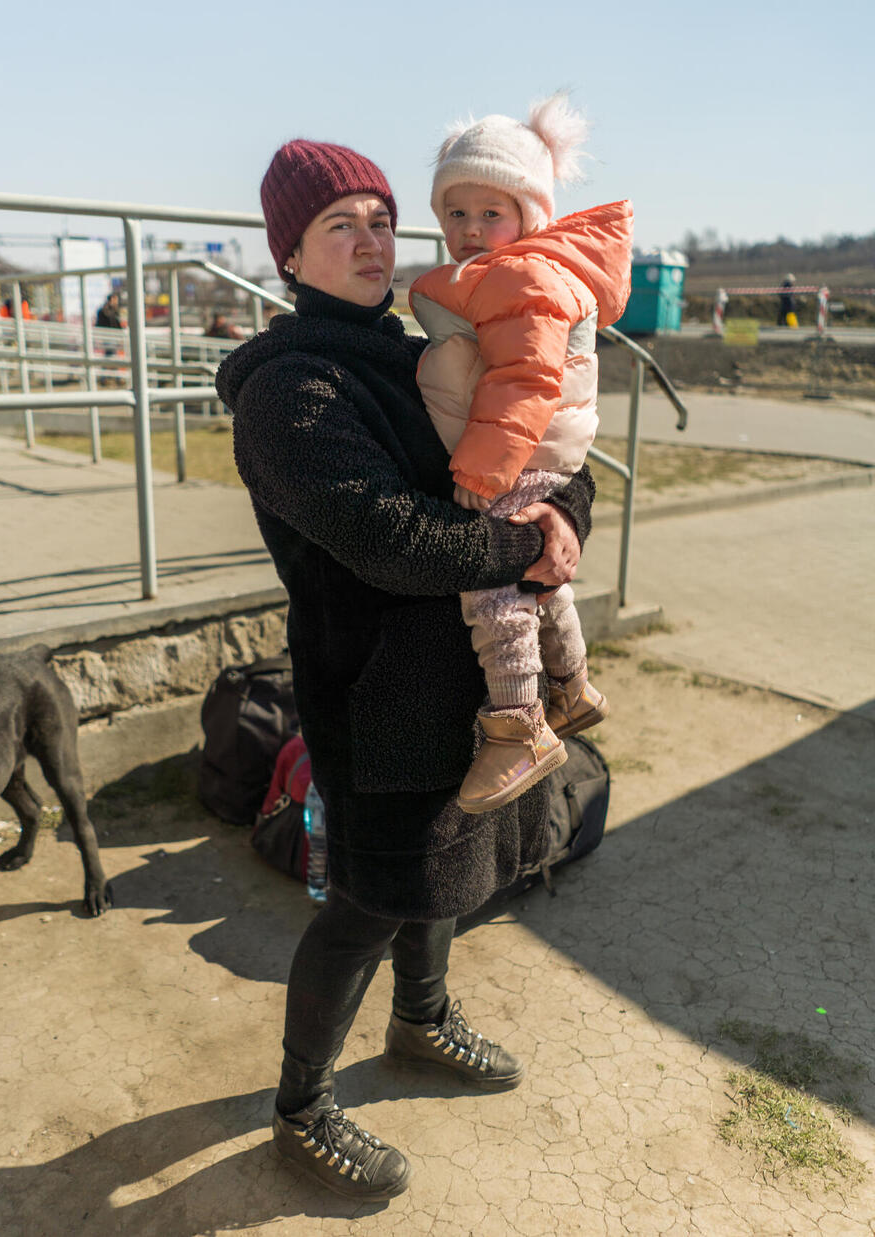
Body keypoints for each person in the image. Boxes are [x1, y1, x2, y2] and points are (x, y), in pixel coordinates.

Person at [215, 139, 596, 1203]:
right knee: (371, 902)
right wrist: (527, 549)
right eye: (340, 223)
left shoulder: (428, 339)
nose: (372, 238)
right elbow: (389, 540)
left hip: (467, 685)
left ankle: (421, 1021)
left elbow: (538, 460)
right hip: (376, 688)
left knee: (450, 871)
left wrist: (564, 515)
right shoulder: (291, 389)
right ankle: (302, 1107)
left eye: (381, 216)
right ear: (289, 251)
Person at [409, 94, 633, 814]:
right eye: (456, 213)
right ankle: (569, 689)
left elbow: (523, 378)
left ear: (529, 214)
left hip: (516, 454)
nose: (471, 230)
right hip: (539, 454)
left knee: (493, 586)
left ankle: (518, 725)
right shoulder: (518, 270)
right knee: (543, 582)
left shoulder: (523, 278)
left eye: (490, 213)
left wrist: (482, 471)